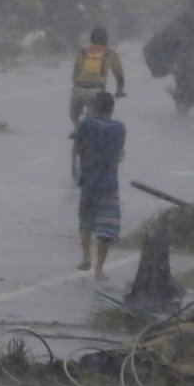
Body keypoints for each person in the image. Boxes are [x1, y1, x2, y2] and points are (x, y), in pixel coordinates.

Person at [72, 90, 126, 280]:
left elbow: (79, 148)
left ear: (95, 107)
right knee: (107, 229)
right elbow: (119, 153)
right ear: (111, 109)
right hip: (109, 184)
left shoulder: (86, 124)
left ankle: (86, 256)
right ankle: (99, 268)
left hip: (89, 181)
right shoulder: (119, 128)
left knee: (86, 220)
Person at [69, 25, 127, 126]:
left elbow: (75, 73)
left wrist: (77, 88)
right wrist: (119, 91)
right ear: (106, 40)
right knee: (100, 120)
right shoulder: (110, 54)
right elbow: (119, 77)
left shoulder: (82, 52)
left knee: (76, 121)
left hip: (78, 91)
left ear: (91, 39)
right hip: (96, 93)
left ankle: (77, 129)